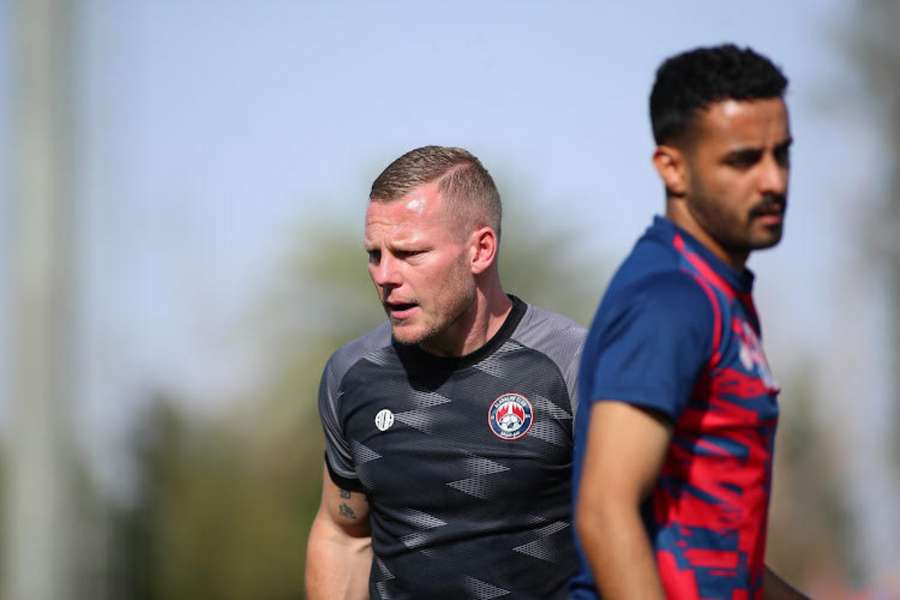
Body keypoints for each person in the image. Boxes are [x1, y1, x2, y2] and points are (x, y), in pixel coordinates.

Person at [571, 45, 808, 599]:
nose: (773, 180)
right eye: (743, 160)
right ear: (672, 167)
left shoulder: (719, 294)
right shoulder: (671, 299)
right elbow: (605, 511)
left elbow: (717, 553)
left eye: (783, 155)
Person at [305, 145, 585, 599]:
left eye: (409, 252)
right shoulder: (352, 375)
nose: (385, 275)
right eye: (375, 255)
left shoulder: (573, 365)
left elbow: (629, 525)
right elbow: (344, 535)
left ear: (480, 250)